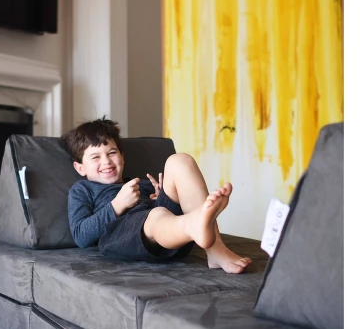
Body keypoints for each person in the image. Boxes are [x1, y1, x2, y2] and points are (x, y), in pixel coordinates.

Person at [61, 116, 252, 274]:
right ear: (80, 167)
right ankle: (194, 222)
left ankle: (215, 249)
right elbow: (81, 236)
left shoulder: (140, 184)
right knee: (156, 215)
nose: (106, 161)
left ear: (122, 157)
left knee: (180, 161)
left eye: (112, 152)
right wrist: (117, 204)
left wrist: (158, 198)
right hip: (119, 235)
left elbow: (157, 208)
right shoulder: (82, 189)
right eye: (95, 157)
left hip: (168, 234)